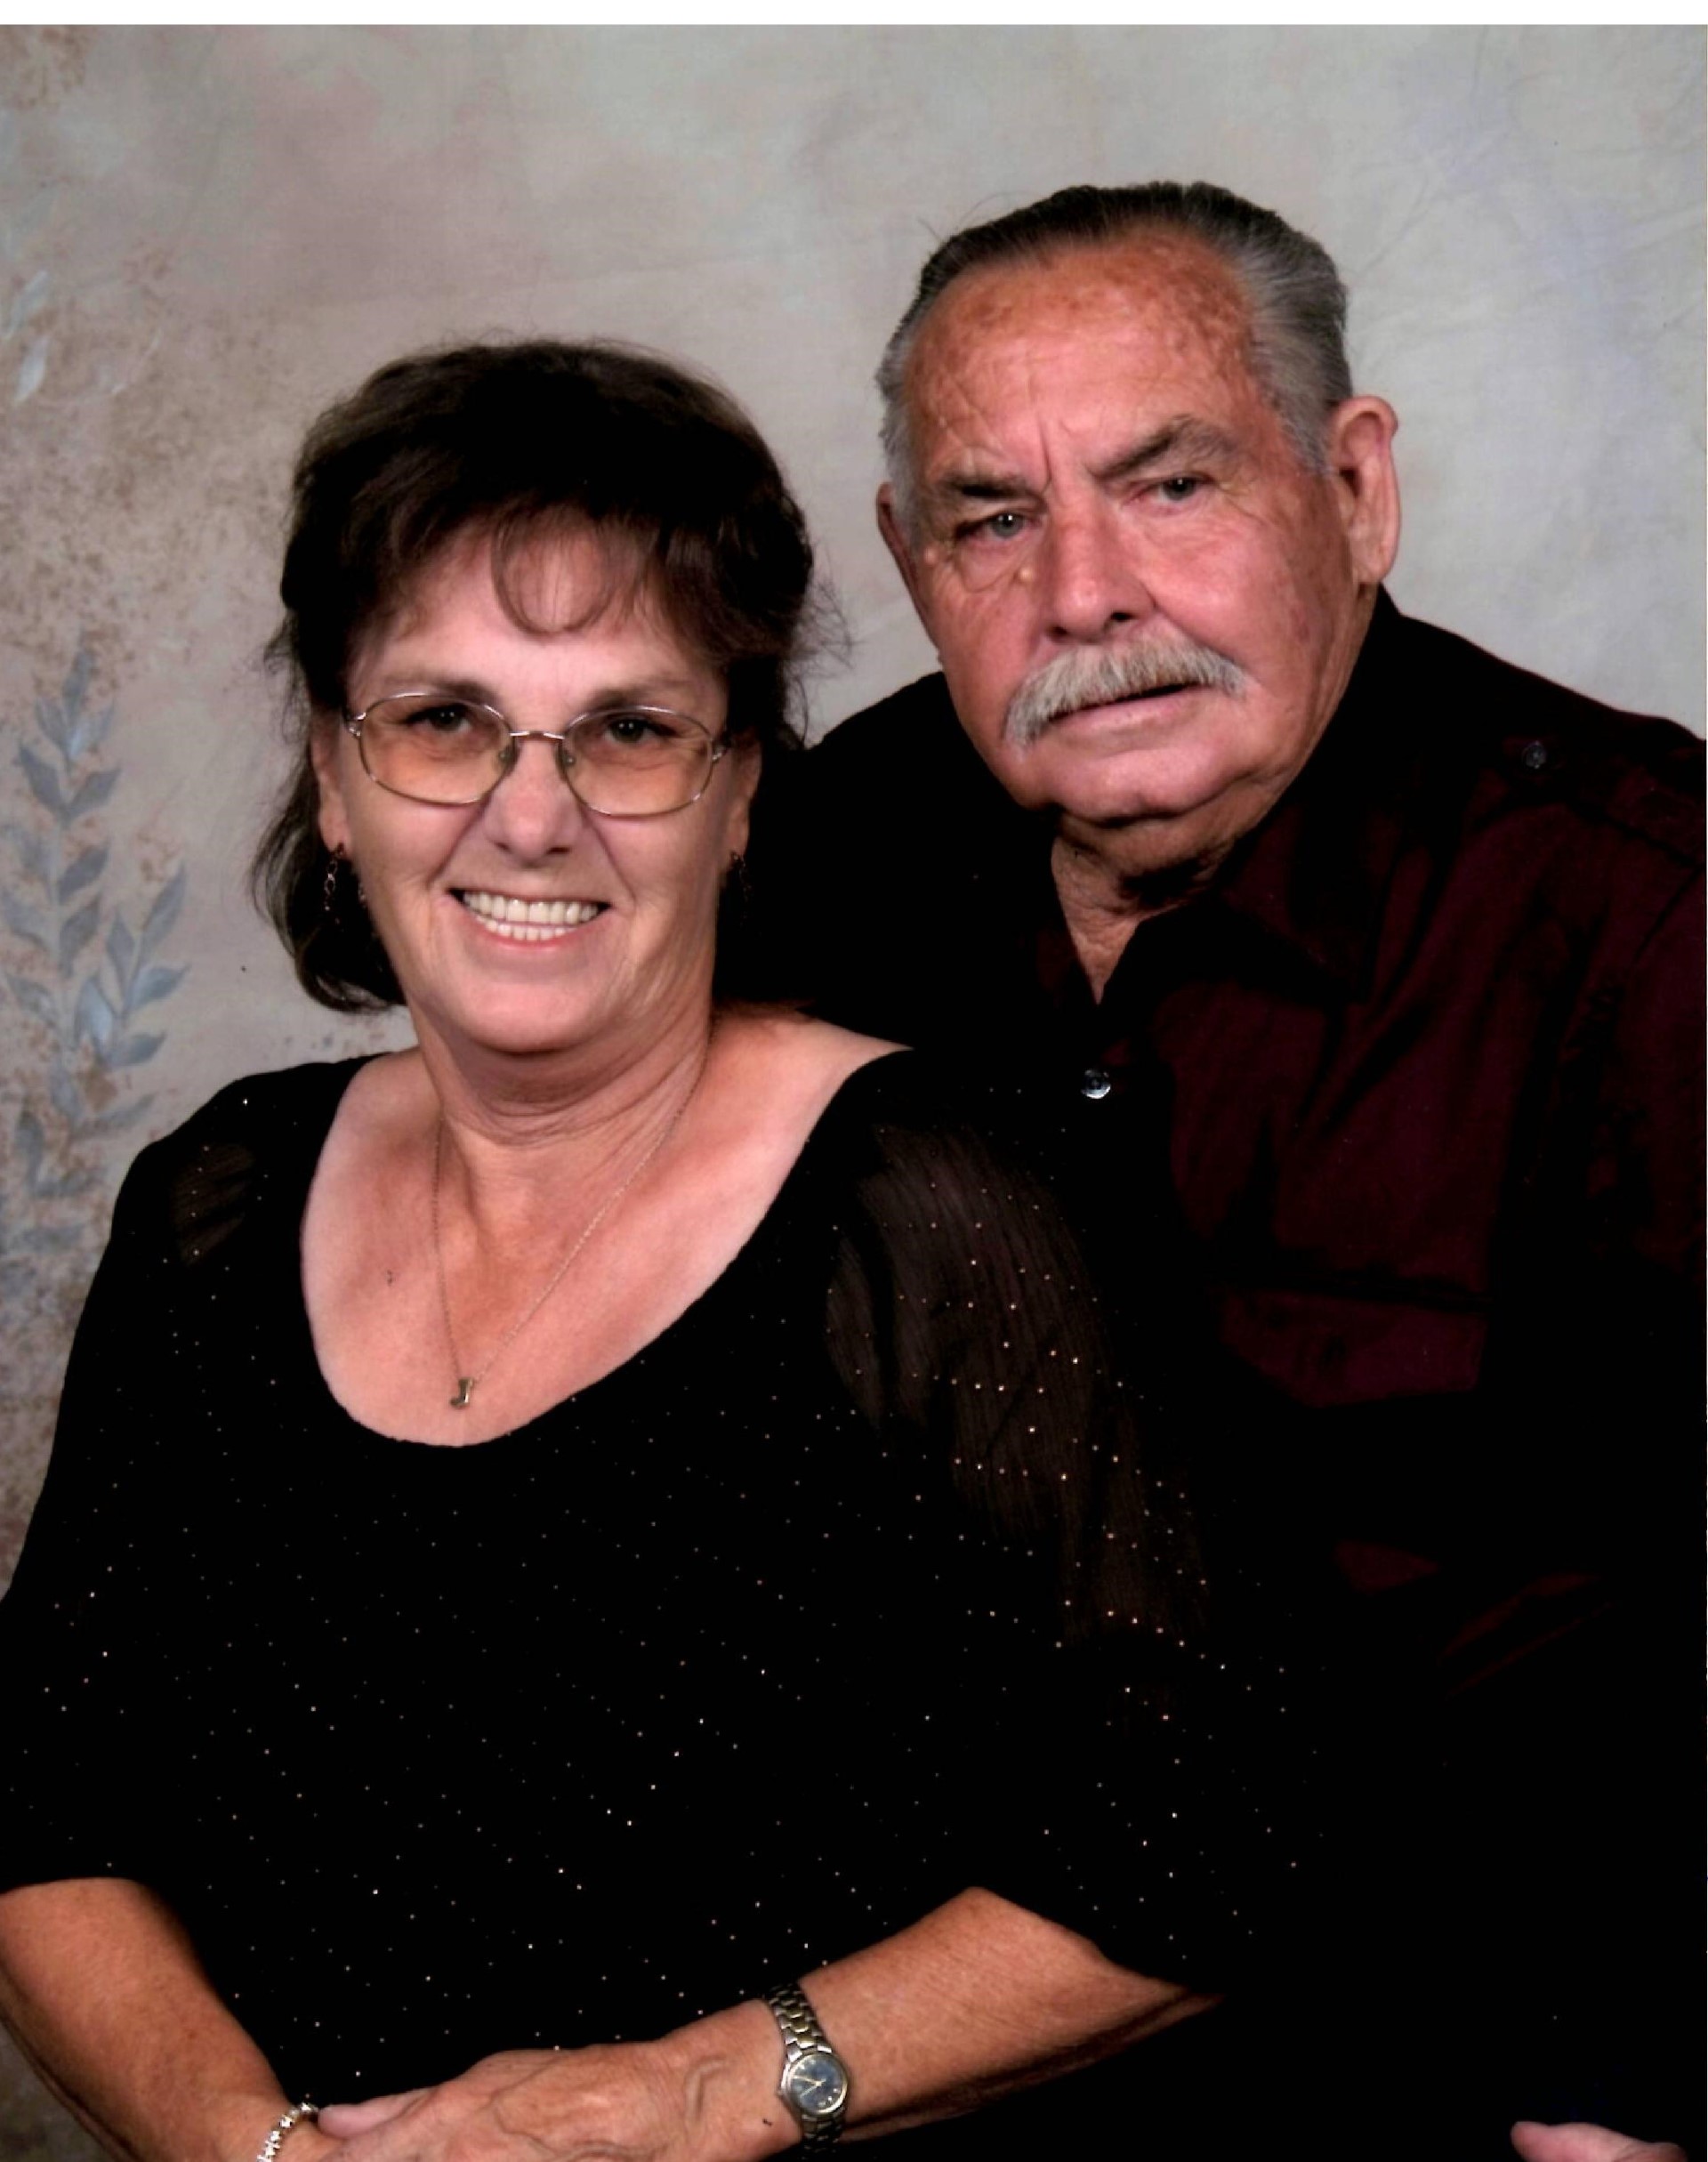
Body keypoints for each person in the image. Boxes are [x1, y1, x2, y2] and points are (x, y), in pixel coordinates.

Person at [0, 338, 1294, 2162]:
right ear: (335, 774)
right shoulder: (213, 1204)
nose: (532, 815)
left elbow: (1212, 1834)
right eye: (443, 720)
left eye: (628, 730)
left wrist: (697, 2088)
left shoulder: (932, 1209)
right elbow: (46, 1808)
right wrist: (260, 2151)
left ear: (741, 787)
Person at [750, 183, 1704, 2158]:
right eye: (994, 520)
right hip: (897, 2022)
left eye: (1170, 486)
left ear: (1355, 491)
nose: (1083, 596)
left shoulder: (1643, 914)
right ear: (909, 564)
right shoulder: (826, 863)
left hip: (1445, 2036)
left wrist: (1626, 2067)